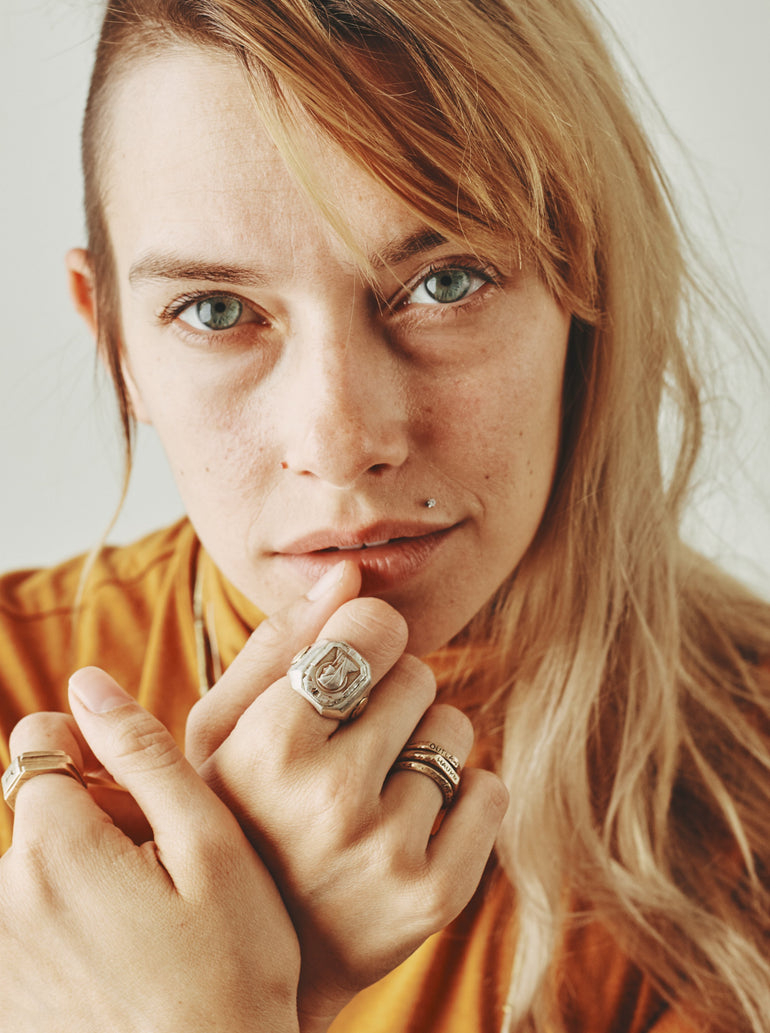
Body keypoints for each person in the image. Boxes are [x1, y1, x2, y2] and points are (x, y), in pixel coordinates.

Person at [0, 0, 768, 1031]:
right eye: (216, 311)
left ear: (586, 289)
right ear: (116, 345)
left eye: (442, 283)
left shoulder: (744, 803)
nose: (337, 438)